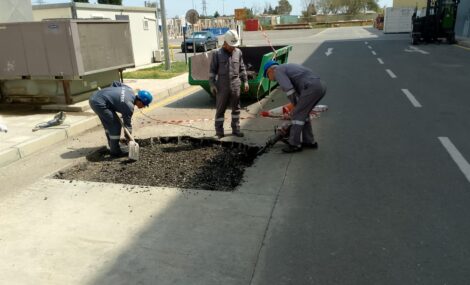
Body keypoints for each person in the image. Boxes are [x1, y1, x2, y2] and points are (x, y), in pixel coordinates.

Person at [263, 60, 327, 153]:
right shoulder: (286, 68)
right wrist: (298, 105)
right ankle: (309, 142)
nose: (270, 79)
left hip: (311, 87)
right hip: (320, 86)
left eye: (267, 76)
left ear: (269, 71)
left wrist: (296, 106)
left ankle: (294, 144)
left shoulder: (278, 71)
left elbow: (289, 90)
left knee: (297, 115)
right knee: (304, 114)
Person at [89, 81, 153, 157]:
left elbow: (115, 83)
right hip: (99, 103)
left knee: (108, 124)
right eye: (144, 105)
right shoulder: (129, 106)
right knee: (115, 125)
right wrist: (129, 138)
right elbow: (127, 125)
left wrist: (110, 95)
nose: (144, 107)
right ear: (141, 102)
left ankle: (112, 145)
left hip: (96, 96)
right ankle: (115, 152)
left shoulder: (129, 90)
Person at [209, 29, 249, 139]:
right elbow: (212, 70)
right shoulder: (217, 54)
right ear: (225, 43)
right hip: (222, 85)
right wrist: (212, 84)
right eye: (231, 45)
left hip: (235, 84)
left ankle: (236, 130)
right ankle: (219, 132)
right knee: (220, 109)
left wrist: (245, 81)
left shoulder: (238, 52)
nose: (233, 47)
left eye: (234, 45)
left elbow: (242, 68)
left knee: (236, 109)